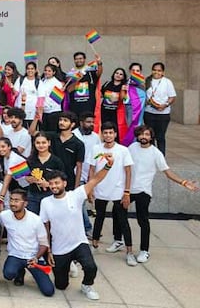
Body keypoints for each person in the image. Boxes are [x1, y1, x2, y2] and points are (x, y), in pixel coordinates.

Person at [41, 158, 116, 302]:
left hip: (78, 242)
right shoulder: (46, 202)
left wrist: (108, 166)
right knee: (61, 285)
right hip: (59, 248)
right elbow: (45, 226)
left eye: (57, 183)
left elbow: (95, 180)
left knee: (91, 267)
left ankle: (87, 285)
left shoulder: (75, 195)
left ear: (64, 183)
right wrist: (48, 251)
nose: (54, 186)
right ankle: (69, 263)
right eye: (51, 184)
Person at [123, 125, 198, 263]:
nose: (143, 137)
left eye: (146, 134)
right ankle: (122, 244)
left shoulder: (156, 153)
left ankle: (144, 251)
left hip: (144, 191)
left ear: (151, 137)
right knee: (119, 215)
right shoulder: (132, 148)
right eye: (141, 134)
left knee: (142, 220)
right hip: (127, 189)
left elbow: (168, 172)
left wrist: (183, 182)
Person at [89, 123, 136, 265]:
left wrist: (127, 192)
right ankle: (95, 245)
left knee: (123, 220)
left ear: (115, 134)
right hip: (100, 189)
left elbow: (128, 172)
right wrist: (90, 188)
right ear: (102, 134)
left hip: (118, 191)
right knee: (99, 218)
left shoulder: (123, 150)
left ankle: (129, 252)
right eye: (105, 132)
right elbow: (92, 168)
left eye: (111, 132)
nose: (108, 135)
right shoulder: (96, 149)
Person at [0, 190, 54, 296]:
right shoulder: (4, 216)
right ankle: (20, 272)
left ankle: (28, 269)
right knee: (8, 274)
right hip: (15, 255)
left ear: (25, 203)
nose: (13, 203)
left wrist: (36, 258)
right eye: (11, 200)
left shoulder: (36, 220)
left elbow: (44, 244)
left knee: (49, 291)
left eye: (17, 200)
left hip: (33, 257)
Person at [73, 111, 101, 236]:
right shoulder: (74, 135)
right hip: (74, 173)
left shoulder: (95, 137)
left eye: (92, 122)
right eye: (88, 122)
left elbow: (97, 156)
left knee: (81, 203)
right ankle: (87, 228)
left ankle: (85, 228)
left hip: (88, 174)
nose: (91, 124)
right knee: (80, 203)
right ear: (81, 123)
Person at [25, 132, 64, 215]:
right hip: (33, 195)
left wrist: (48, 184)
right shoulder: (30, 160)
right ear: (34, 144)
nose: (41, 145)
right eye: (38, 143)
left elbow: (62, 180)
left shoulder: (56, 161)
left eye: (43, 142)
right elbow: (26, 177)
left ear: (49, 143)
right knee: (33, 219)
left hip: (51, 195)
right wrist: (31, 179)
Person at [143, 62, 176, 155]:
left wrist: (165, 105)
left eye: (159, 70)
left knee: (160, 137)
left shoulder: (167, 82)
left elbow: (172, 97)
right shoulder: (147, 81)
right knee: (150, 136)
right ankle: (151, 156)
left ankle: (161, 157)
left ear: (163, 72)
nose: (156, 72)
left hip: (163, 114)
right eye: (154, 70)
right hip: (149, 112)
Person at [67, 52, 103, 117]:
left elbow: (99, 74)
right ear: (74, 60)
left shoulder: (90, 70)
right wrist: (77, 80)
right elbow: (69, 90)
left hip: (88, 104)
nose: (79, 60)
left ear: (84, 59)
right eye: (76, 59)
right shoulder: (71, 73)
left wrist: (99, 63)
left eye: (80, 58)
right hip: (75, 105)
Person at [36, 63, 64, 133]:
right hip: (43, 112)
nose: (47, 72)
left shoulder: (57, 83)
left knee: (52, 133)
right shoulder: (42, 81)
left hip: (53, 112)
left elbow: (57, 100)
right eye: (45, 70)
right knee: (43, 132)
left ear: (54, 72)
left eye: (49, 71)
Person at [14, 62, 40, 127]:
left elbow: (41, 98)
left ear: (35, 70)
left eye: (32, 69)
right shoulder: (20, 80)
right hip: (20, 110)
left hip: (33, 112)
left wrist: (39, 112)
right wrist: (12, 88)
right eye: (28, 69)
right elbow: (15, 93)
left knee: (32, 133)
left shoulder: (39, 82)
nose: (30, 70)